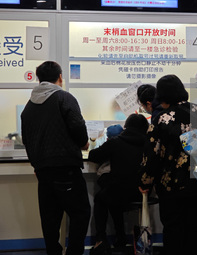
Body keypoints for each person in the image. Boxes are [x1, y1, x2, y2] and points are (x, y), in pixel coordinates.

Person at [21, 61, 91, 255]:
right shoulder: (64, 98)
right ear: (60, 77)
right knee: (80, 213)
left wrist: (37, 164)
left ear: (39, 79)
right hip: (65, 166)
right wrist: (84, 143)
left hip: (43, 171)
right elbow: (77, 126)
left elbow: (26, 139)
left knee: (50, 218)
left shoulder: (29, 106)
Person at [139, 75, 197, 255]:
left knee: (173, 231)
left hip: (172, 187)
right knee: (196, 231)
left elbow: (151, 154)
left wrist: (145, 181)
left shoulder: (161, 119)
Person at [88, 114, 149, 255]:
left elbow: (93, 156)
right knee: (110, 194)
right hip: (142, 192)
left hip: (118, 191)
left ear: (126, 127)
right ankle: (121, 237)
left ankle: (101, 239)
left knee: (102, 197)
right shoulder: (148, 143)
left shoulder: (116, 142)